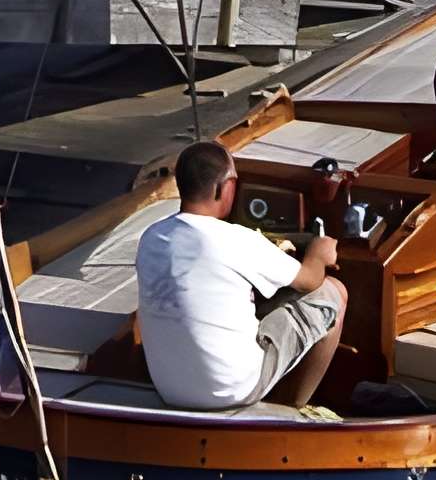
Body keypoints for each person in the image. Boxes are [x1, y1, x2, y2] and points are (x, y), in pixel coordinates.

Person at [134, 139, 342, 412]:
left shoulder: (150, 238)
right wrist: (320, 251)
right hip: (232, 390)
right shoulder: (235, 239)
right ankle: (293, 408)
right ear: (224, 187)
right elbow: (309, 279)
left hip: (170, 391)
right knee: (333, 292)